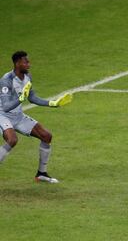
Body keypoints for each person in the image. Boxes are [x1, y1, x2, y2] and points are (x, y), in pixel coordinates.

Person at [0, 51, 73, 183]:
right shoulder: (6, 80)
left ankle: (41, 174)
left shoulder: (27, 77)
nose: (29, 64)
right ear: (17, 63)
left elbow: (32, 98)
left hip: (18, 116)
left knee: (46, 136)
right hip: (3, 115)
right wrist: (21, 98)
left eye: (28, 61)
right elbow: (5, 106)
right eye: (25, 62)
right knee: (12, 140)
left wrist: (52, 103)